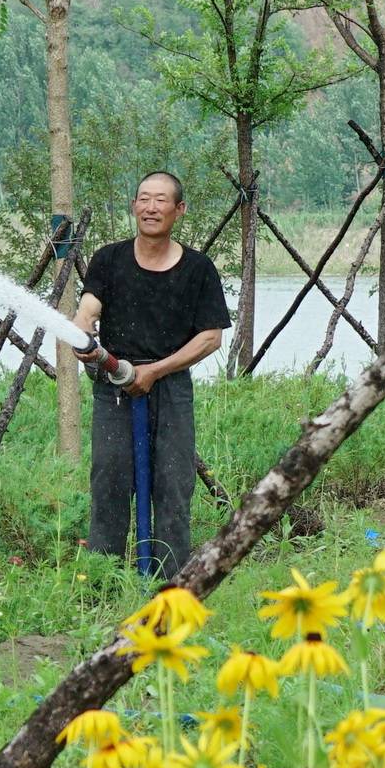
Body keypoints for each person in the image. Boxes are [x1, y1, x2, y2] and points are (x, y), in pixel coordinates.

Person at [71, 171, 229, 578]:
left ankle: (170, 584)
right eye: (143, 199)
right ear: (134, 206)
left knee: (173, 486)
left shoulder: (198, 269)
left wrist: (155, 371)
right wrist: (83, 330)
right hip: (115, 388)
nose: (150, 207)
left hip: (170, 388)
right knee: (108, 481)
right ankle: (103, 580)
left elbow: (210, 338)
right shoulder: (109, 258)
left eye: (161, 200)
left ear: (179, 210)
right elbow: (89, 306)